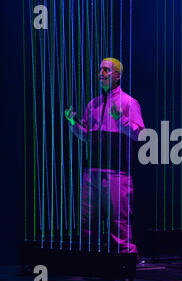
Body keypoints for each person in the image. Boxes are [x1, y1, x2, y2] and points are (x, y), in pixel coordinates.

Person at [65, 58, 145, 255]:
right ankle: (90, 271)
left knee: (119, 224)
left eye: (106, 70)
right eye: (100, 69)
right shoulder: (93, 104)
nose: (101, 73)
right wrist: (73, 123)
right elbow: (87, 137)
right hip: (91, 172)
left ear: (117, 75)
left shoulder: (129, 102)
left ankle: (126, 271)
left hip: (117, 173)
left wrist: (121, 120)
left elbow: (141, 134)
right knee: (86, 223)